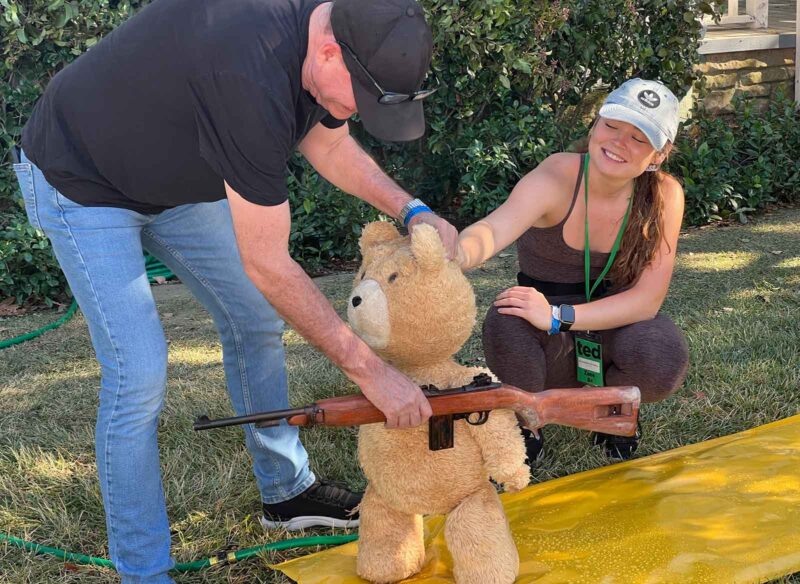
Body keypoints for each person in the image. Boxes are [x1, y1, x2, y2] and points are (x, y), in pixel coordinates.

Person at [12, 0, 454, 581]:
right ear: (327, 53)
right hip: (81, 181)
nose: (353, 113)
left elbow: (328, 143)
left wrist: (410, 209)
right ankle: (144, 572)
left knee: (252, 318)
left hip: (173, 186)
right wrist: (369, 370)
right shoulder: (246, 70)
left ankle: (285, 492)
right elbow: (268, 265)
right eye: (359, 100)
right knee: (139, 370)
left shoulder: (335, 32)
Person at [457, 78, 690, 463]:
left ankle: (610, 410)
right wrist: (455, 253)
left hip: (609, 323)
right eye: (612, 125)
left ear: (658, 155)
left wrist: (557, 317)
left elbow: (647, 300)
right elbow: (495, 227)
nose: (618, 142)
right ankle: (527, 421)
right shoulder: (560, 175)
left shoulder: (665, 195)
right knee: (506, 322)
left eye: (638, 137)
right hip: (545, 338)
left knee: (662, 354)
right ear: (594, 126)